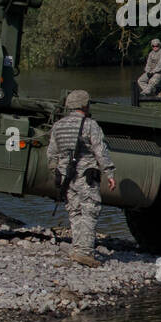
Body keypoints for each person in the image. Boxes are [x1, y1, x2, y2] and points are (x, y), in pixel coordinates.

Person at [46, 90, 117, 268]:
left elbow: (51, 154)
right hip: (86, 175)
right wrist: (109, 173)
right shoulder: (90, 125)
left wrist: (57, 172)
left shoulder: (58, 126)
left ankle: (77, 247)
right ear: (85, 105)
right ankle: (85, 252)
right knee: (90, 211)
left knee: (74, 210)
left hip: (65, 177)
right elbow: (100, 151)